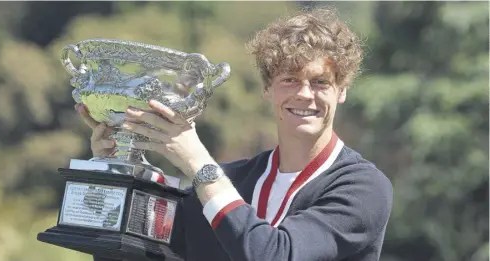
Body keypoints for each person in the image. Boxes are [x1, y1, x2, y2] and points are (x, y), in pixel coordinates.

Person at [76, 7, 393, 261]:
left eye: (320, 82)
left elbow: (273, 254)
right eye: (290, 80)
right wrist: (114, 169)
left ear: (342, 91)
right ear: (268, 89)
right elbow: (130, 253)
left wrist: (198, 162)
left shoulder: (363, 188)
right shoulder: (226, 183)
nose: (305, 94)